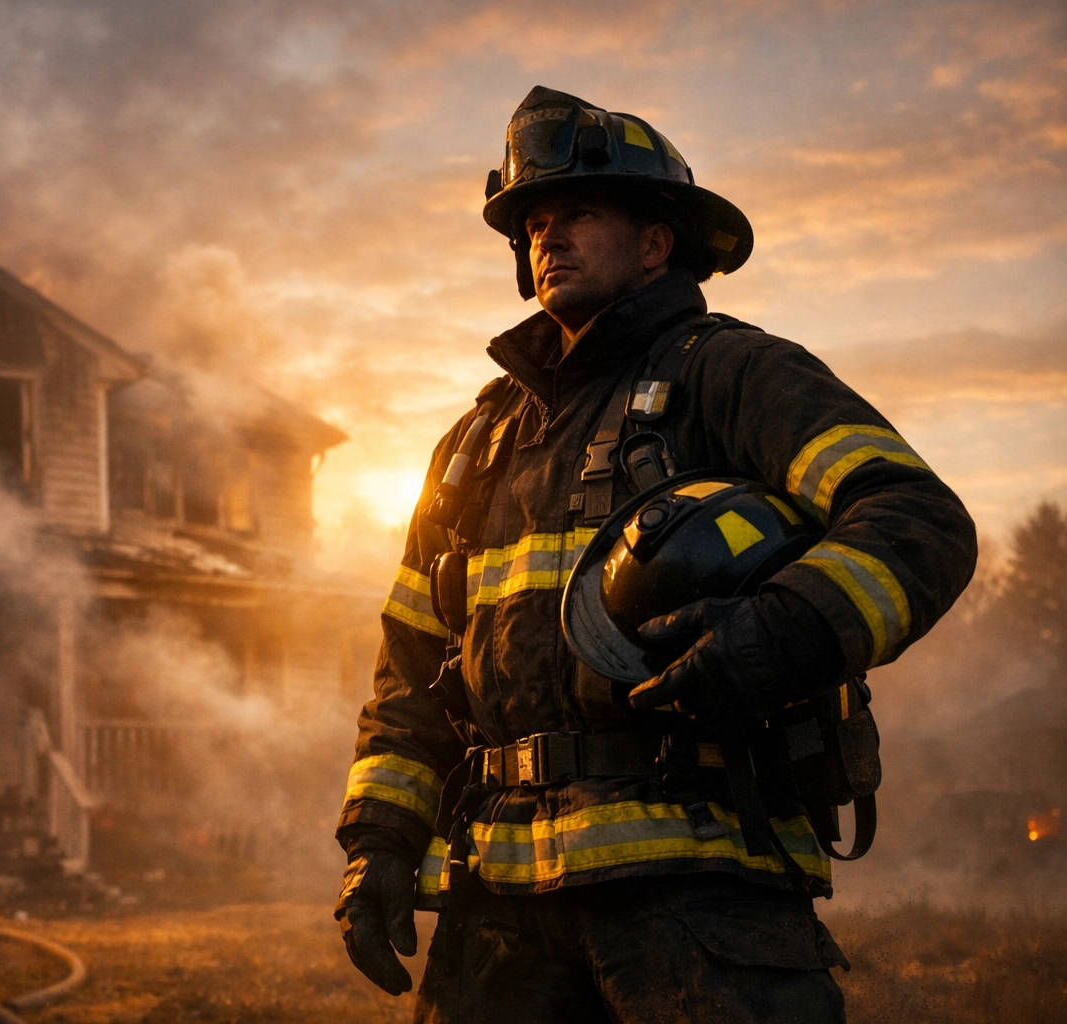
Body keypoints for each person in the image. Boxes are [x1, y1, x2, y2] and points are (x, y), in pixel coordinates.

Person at [334, 87, 977, 1023]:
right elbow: (409, 669)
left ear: (656, 241)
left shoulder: (735, 373)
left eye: (579, 213)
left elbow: (917, 519)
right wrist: (379, 843)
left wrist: (778, 634)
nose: (548, 238)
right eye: (536, 222)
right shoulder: (476, 443)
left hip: (702, 894)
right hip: (502, 914)